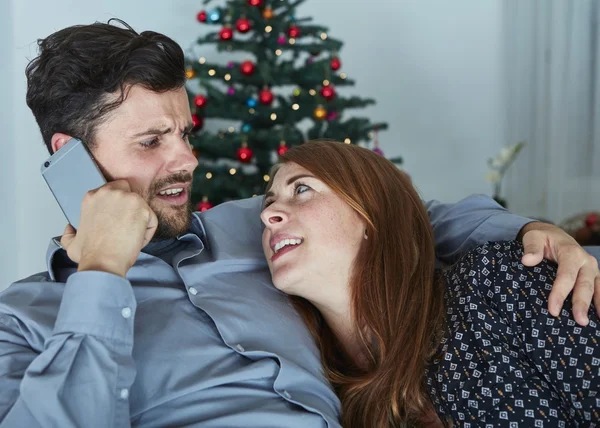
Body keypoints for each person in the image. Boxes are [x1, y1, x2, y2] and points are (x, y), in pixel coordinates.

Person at [0, 19, 598, 427]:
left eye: (183, 133)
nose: (186, 159)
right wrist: (101, 273)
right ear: (71, 157)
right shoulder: (22, 320)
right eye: (152, 140)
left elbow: (396, 214)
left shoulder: (255, 228)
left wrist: (532, 232)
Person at [260, 140, 600, 427]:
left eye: (301, 189)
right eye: (269, 202)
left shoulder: (495, 281)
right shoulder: (330, 400)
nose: (267, 215)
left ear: (371, 216)